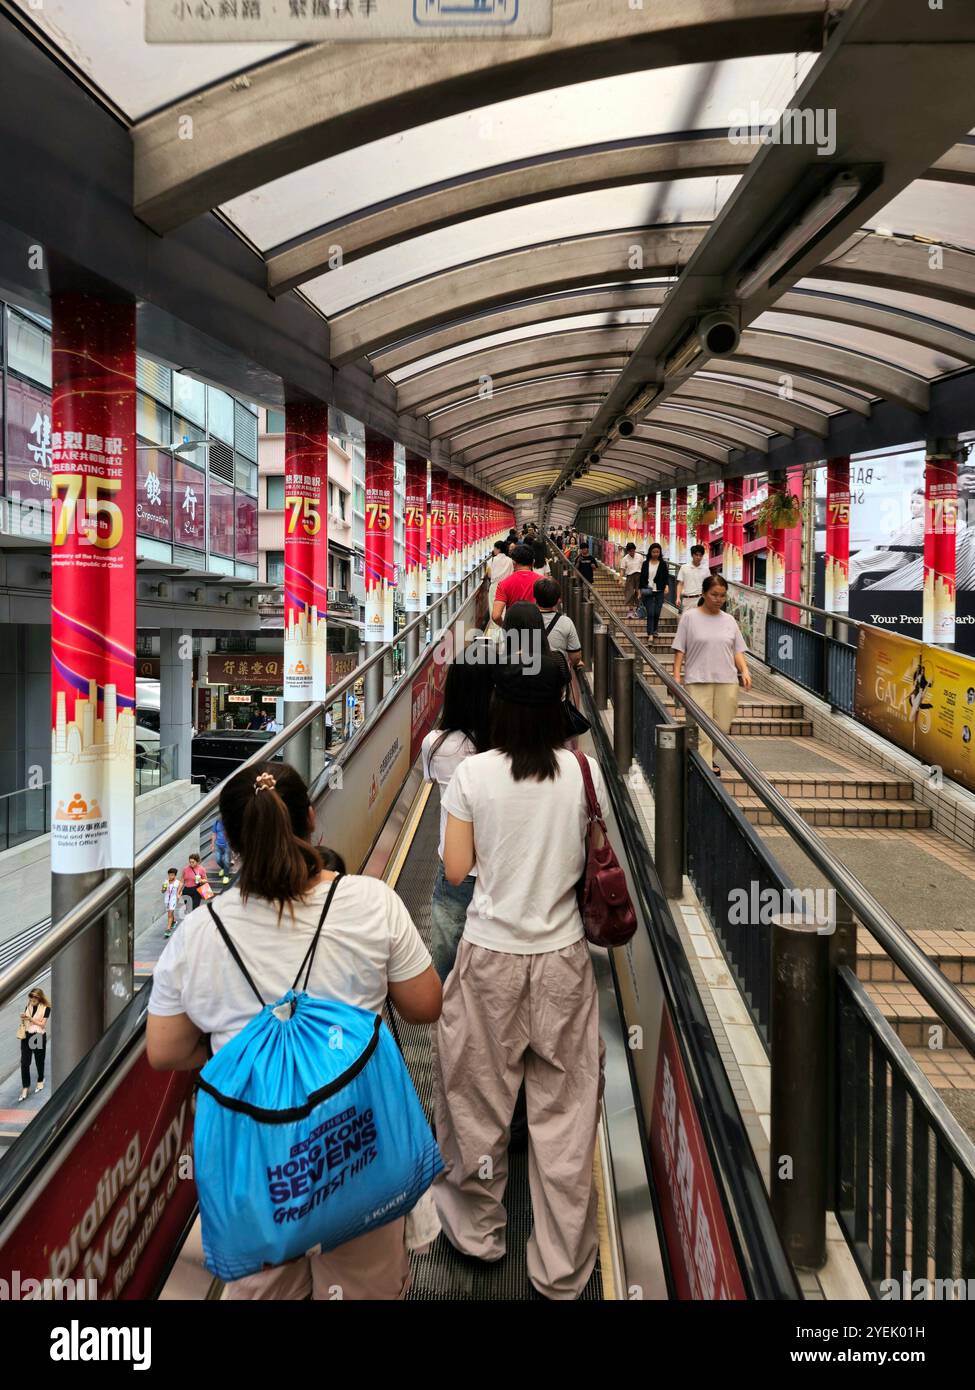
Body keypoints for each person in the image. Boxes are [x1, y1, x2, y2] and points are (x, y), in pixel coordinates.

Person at [147, 761, 442, 1300]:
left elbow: (164, 1050)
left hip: (261, 1169)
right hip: (360, 1149)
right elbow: (425, 1005)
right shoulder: (371, 903)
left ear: (231, 842)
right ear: (312, 819)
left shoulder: (198, 934)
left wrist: (238, 1047)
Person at [432, 655, 606, 1299]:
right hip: (563, 960)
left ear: (499, 712)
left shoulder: (473, 774)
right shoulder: (583, 773)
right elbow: (591, 859)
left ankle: (479, 1235)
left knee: (475, 1099)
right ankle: (561, 1268)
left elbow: (454, 871)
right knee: (565, 1114)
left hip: (489, 959)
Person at [421, 657, 493, 981]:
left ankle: (449, 1025)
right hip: (497, 866)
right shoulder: (500, 747)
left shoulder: (434, 745)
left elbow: (431, 781)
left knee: (448, 964)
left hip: (453, 867)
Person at [671, 574, 752, 774]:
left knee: (722, 727)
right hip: (698, 680)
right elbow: (680, 648)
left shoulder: (729, 620)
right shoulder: (690, 617)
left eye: (722, 596)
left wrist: (745, 670)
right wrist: (676, 675)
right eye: (714, 594)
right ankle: (704, 772)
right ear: (704, 594)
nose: (718, 599)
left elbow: (737, 650)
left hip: (727, 680)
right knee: (702, 732)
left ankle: (703, 759)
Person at [534, 578, 583, 670]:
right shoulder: (566, 622)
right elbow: (575, 657)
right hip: (557, 676)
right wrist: (576, 662)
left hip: (532, 674)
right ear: (558, 600)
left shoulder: (526, 618)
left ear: (535, 598)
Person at [492, 544, 539, 624]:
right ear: (533, 562)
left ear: (513, 563)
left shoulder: (504, 584)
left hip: (513, 630)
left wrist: (505, 627)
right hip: (535, 628)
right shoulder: (542, 581)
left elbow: (496, 616)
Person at [17, 988, 50, 1100]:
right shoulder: (28, 1006)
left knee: (39, 1060)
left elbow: (42, 1024)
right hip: (26, 1036)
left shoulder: (46, 1008)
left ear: (40, 998)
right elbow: (26, 1022)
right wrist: (23, 1018)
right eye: (31, 996)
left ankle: (40, 1079)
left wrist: (30, 1018)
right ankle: (25, 1087)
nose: (33, 999)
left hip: (38, 1035)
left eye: (35, 997)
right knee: (25, 1062)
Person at [639, 542, 671, 636]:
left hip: (659, 591)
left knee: (657, 612)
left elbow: (666, 576)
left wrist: (667, 586)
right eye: (654, 552)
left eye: (657, 552)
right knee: (650, 613)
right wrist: (640, 590)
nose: (655, 554)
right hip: (648, 591)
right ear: (650, 552)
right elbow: (642, 577)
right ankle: (650, 633)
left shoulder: (663, 564)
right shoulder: (645, 563)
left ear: (660, 552)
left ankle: (655, 630)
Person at [675, 544, 708, 612]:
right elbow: (680, 584)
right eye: (696, 555)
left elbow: (709, 585)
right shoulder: (684, 568)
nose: (698, 557)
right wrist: (678, 598)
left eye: (700, 555)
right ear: (692, 555)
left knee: (700, 621)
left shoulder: (706, 569)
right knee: (687, 621)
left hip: (701, 599)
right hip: (688, 599)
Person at [488, 540, 514, 619]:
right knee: (505, 607)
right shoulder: (510, 560)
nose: (494, 550)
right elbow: (512, 574)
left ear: (498, 549)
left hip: (495, 586)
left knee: (493, 608)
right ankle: (504, 626)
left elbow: (489, 575)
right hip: (507, 587)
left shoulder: (492, 560)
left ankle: (495, 627)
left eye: (494, 548)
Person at [620, 542, 643, 618]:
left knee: (638, 593)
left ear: (635, 549)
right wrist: (620, 579)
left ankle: (638, 610)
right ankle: (630, 611)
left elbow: (643, 568)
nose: (632, 552)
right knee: (629, 593)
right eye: (630, 551)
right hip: (630, 576)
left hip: (639, 576)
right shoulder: (625, 559)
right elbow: (622, 570)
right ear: (627, 551)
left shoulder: (640, 556)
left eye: (633, 550)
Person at [211, 817, 232, 884]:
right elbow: (214, 834)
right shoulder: (217, 822)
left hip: (227, 845)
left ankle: (226, 876)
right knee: (218, 860)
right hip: (218, 845)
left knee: (226, 860)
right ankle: (223, 868)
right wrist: (212, 844)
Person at [162, 867, 181, 938]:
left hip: (173, 900)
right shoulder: (165, 882)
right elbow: (162, 891)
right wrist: (164, 888)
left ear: (175, 875)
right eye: (169, 875)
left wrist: (178, 895)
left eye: (172, 875)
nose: (170, 876)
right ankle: (174, 922)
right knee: (170, 913)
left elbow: (179, 891)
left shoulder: (178, 883)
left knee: (170, 913)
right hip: (166, 900)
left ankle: (168, 929)